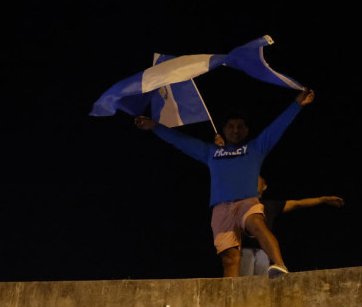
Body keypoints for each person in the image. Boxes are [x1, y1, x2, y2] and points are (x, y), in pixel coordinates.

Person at [135, 88, 315, 278]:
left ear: (246, 130)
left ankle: (279, 266)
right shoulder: (211, 152)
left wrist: (296, 105)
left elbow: (277, 127)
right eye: (231, 126)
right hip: (221, 208)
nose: (235, 131)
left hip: (247, 202)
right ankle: (230, 298)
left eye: (240, 127)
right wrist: (154, 126)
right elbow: (181, 141)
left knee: (256, 223)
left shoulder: (255, 148)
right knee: (229, 258)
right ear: (224, 129)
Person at [239, 175, 344, 276]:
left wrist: (322, 199)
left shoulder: (271, 205)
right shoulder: (241, 204)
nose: (254, 182)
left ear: (264, 186)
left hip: (263, 252)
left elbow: (298, 203)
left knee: (261, 283)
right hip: (244, 250)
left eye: (257, 180)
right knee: (244, 280)